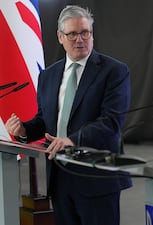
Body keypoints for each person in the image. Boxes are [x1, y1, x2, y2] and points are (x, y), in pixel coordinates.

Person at [5, 5, 131, 225]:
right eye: (73, 34)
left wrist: (72, 140)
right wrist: (24, 130)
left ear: (92, 34)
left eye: (85, 33)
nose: (80, 39)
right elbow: (45, 120)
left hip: (96, 177)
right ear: (60, 37)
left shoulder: (114, 71)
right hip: (60, 178)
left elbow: (111, 123)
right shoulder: (48, 76)